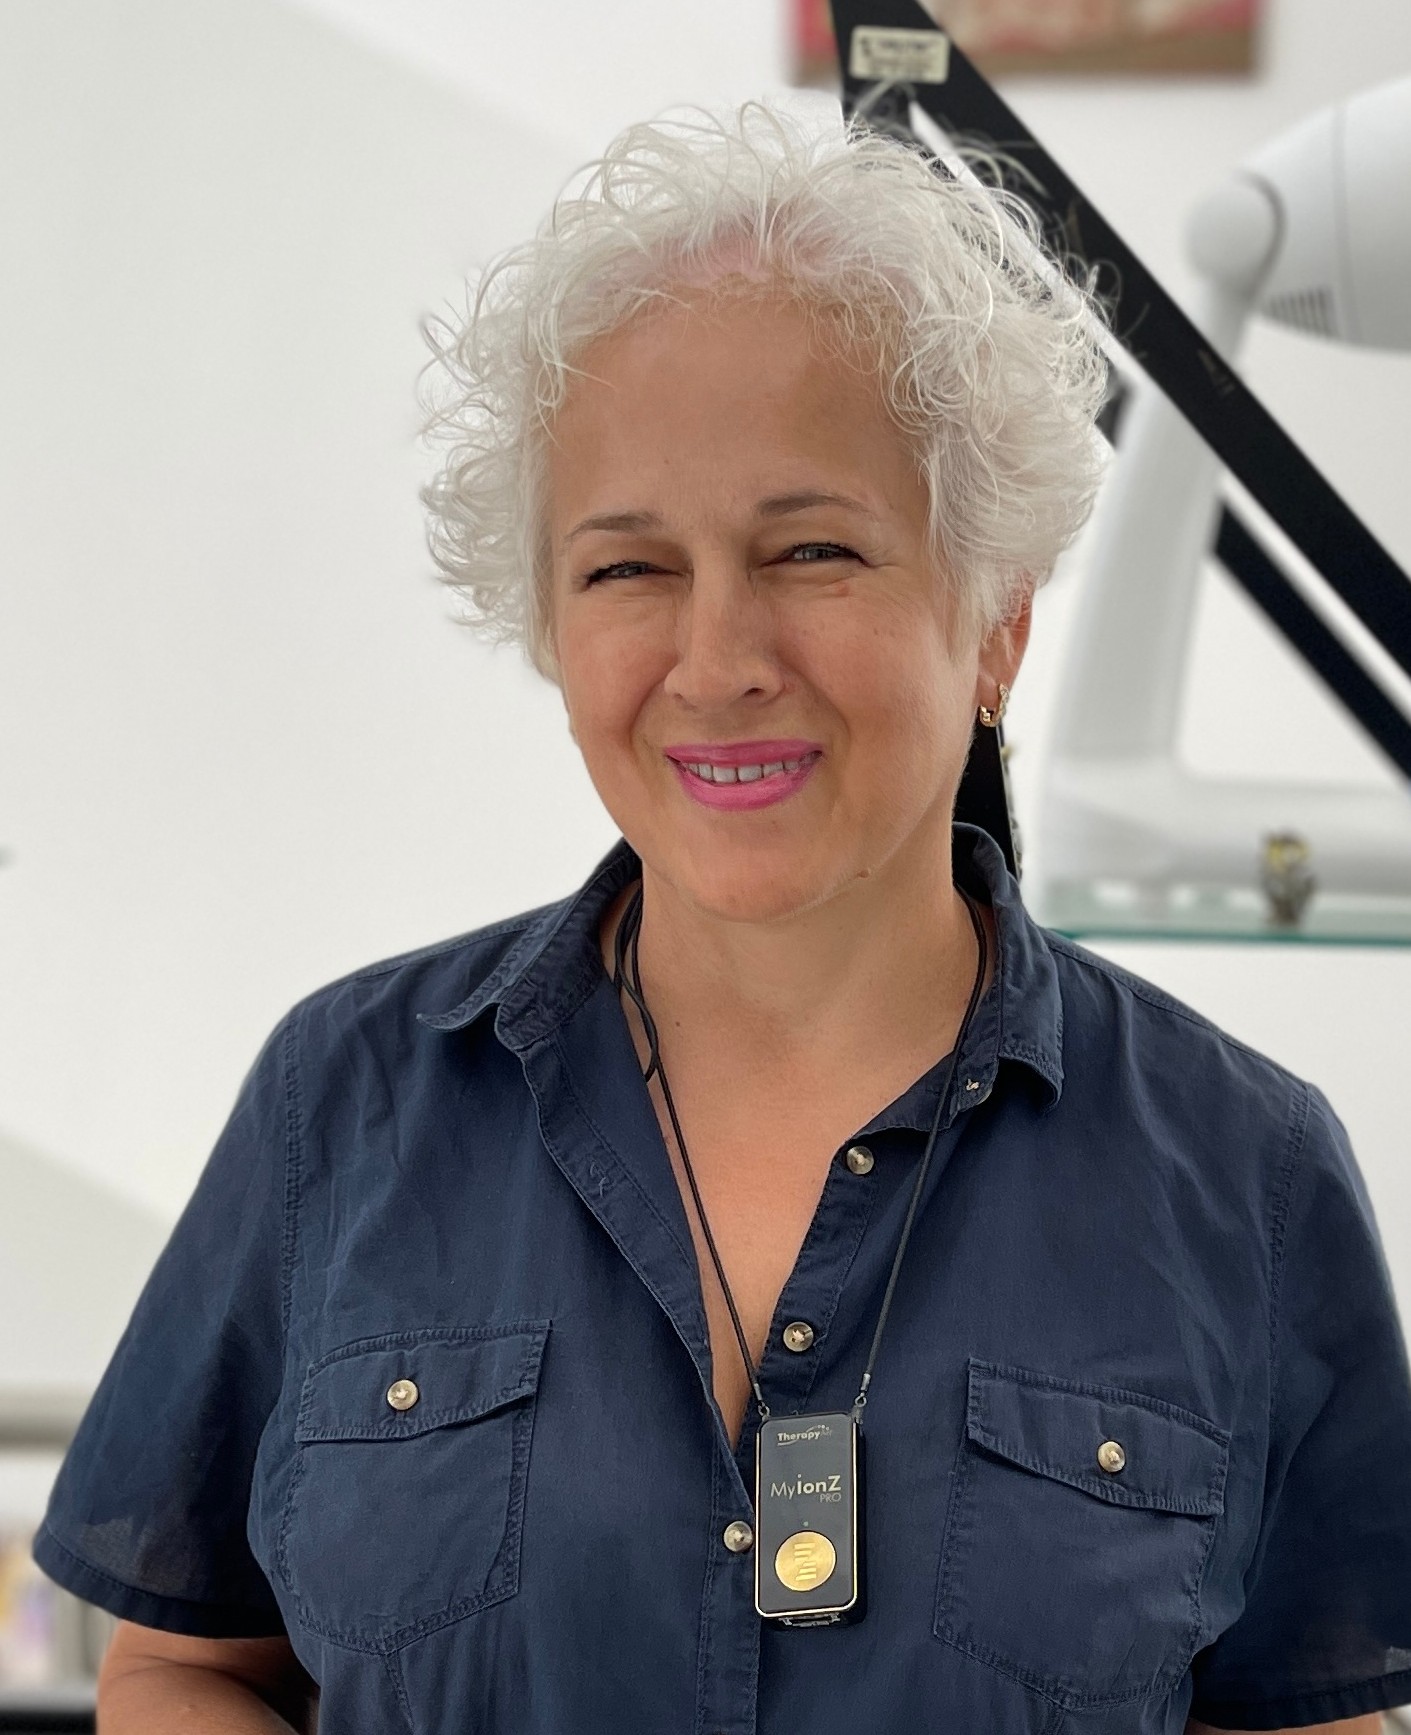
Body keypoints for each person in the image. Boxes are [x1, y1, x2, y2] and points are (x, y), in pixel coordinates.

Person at [34, 101, 1411, 1735]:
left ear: (995, 624)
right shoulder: (340, 1103)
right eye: (628, 571)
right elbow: (181, 1663)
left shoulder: (1251, 1177)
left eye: (813, 549)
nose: (718, 661)